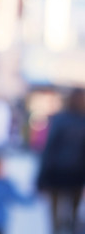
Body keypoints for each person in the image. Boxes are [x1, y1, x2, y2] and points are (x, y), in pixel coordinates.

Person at [37, 88, 85, 234]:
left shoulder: (60, 119)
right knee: (72, 213)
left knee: (56, 214)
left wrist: (41, 176)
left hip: (58, 171)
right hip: (76, 173)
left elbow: (49, 148)